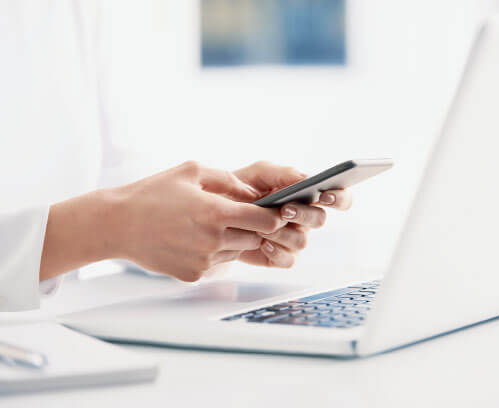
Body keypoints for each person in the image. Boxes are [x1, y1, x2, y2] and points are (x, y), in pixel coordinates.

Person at [0, 1, 352, 312]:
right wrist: (114, 225)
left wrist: (215, 212)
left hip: (60, 338)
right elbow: (114, 216)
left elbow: (118, 177)